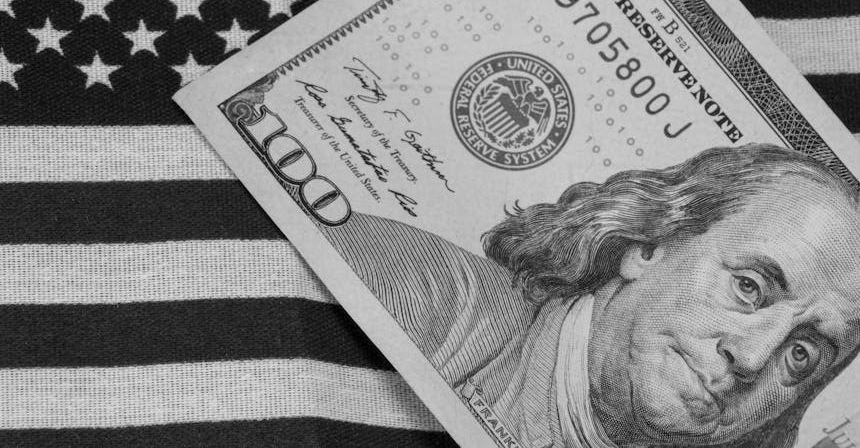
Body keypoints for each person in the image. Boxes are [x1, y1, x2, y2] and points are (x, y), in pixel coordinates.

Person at [322, 143, 860, 448]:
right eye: (749, 288)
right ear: (649, 246)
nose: (752, 357)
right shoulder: (410, 290)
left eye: (801, 354)